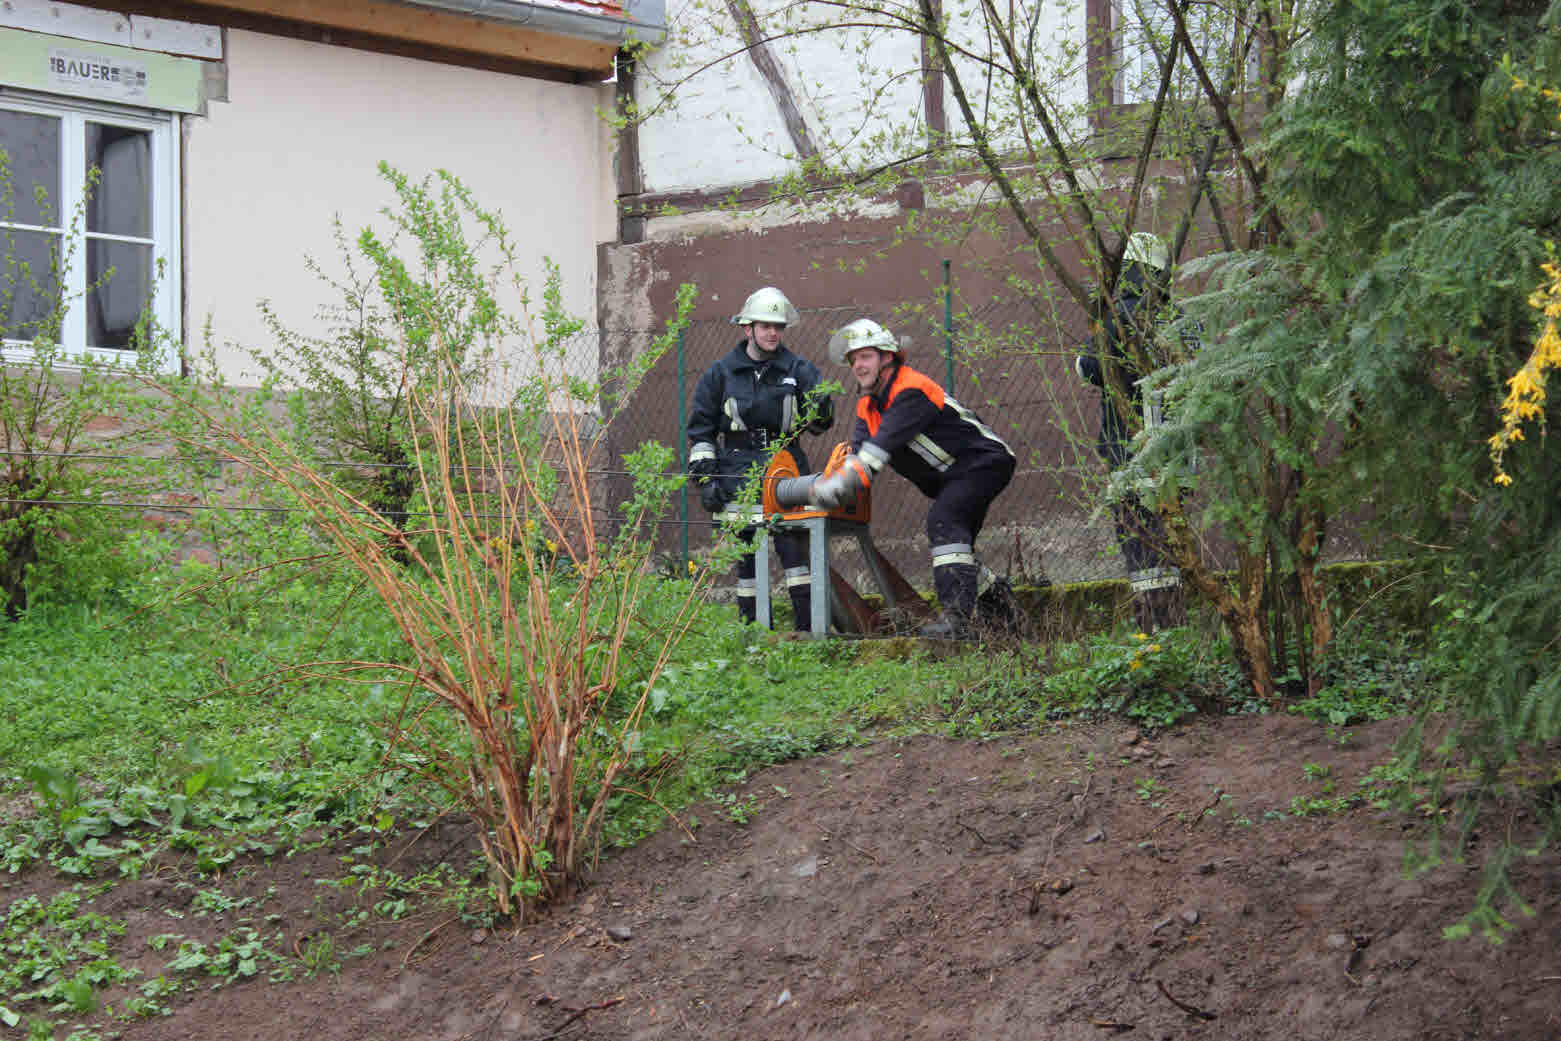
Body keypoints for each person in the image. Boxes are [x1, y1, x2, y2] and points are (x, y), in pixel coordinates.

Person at [809, 318, 1016, 639]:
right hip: (954, 476)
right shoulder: (868, 405)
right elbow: (858, 455)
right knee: (955, 544)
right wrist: (833, 487)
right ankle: (1002, 606)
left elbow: (878, 451)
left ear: (887, 357)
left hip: (981, 464)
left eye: (865, 356)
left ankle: (956, 622)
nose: (857, 366)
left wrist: (834, 487)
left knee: (944, 521)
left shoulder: (910, 389)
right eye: (852, 360)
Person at [1075, 231, 1201, 632]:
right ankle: (1173, 626)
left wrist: (1101, 329)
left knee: (1141, 541)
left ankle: (1157, 631)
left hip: (1134, 454)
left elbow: (1087, 368)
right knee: (1169, 541)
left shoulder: (1121, 316)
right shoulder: (1180, 318)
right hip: (1178, 456)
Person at [688, 286, 834, 628]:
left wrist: (822, 405)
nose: (772, 333)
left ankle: (807, 632)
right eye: (765, 325)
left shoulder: (799, 369)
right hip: (737, 471)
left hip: (786, 468)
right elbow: (701, 432)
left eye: (778, 326)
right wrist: (706, 479)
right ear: (747, 328)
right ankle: (750, 632)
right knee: (746, 556)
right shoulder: (720, 373)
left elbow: (821, 424)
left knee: (794, 551)